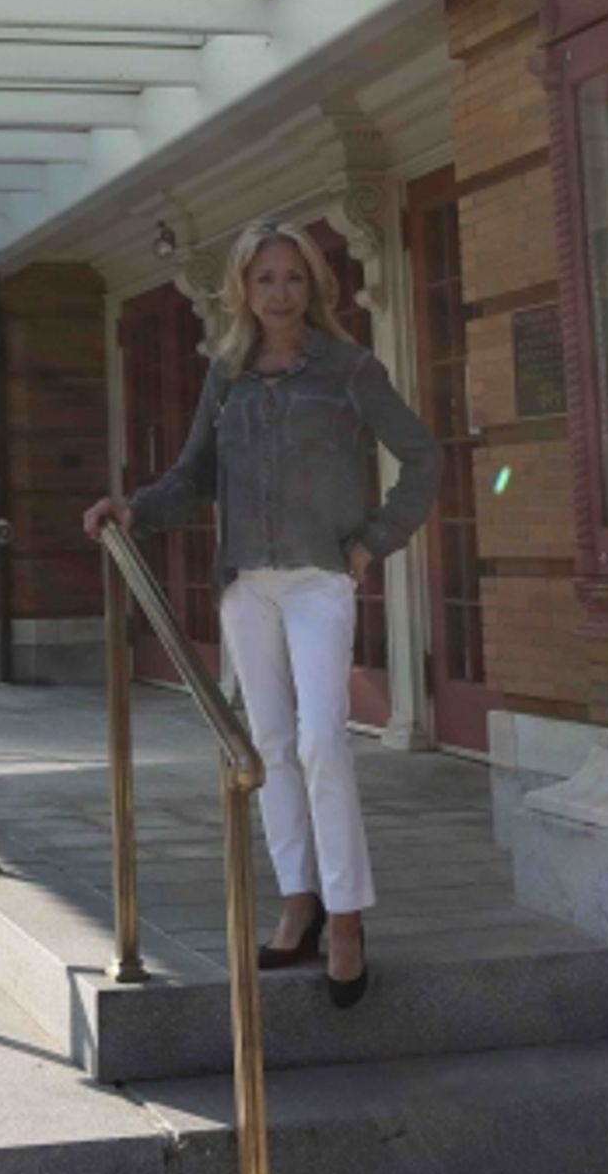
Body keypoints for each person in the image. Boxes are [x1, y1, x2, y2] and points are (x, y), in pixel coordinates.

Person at [83, 220, 441, 1009]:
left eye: (294, 278)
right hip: (248, 583)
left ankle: (346, 915)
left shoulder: (350, 369)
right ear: (243, 289)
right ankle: (297, 901)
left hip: (319, 579)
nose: (281, 293)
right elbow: (191, 477)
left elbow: (423, 457)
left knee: (322, 742)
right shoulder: (229, 376)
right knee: (269, 744)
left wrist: (374, 540)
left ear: (313, 286)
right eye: (266, 279)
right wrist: (134, 511)